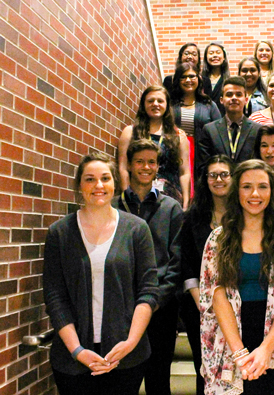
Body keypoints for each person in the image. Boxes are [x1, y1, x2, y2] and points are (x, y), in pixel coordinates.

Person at [43, 152, 158, 395]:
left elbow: (148, 291)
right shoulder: (59, 233)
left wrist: (130, 343)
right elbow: (55, 297)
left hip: (127, 358)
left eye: (105, 178)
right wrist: (77, 350)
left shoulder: (137, 229)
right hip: (72, 360)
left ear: (115, 183)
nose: (98, 186)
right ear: (79, 185)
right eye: (89, 179)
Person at [199, 159, 274, 394]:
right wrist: (240, 353)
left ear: (272, 192)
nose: (255, 193)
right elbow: (216, 296)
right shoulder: (217, 240)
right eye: (246, 186)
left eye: (263, 186)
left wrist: (265, 350)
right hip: (230, 340)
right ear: (236, 191)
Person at [113, 139, 183, 395]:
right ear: (129, 165)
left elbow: (176, 263)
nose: (145, 166)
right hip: (121, 309)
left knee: (158, 380)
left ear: (157, 168)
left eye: (151, 162)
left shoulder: (171, 208)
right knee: (121, 379)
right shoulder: (113, 207)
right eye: (139, 161)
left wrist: (154, 301)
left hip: (160, 310)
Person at [180, 154, 235, 395]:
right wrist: (202, 302)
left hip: (237, 305)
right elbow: (187, 263)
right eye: (213, 175)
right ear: (206, 180)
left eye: (224, 174)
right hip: (199, 308)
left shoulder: (243, 215)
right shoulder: (193, 217)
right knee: (204, 367)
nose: (219, 179)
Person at [118, 85, 191, 209]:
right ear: (143, 104)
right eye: (150, 101)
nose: (155, 104)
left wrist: (186, 200)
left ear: (167, 106)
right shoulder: (130, 132)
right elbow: (123, 167)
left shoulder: (179, 136)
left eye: (160, 101)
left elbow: (184, 172)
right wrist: (127, 195)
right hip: (137, 197)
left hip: (170, 198)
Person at [171, 62, 221, 195]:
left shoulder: (209, 105)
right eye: (183, 77)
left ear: (199, 79)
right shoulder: (170, 103)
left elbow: (218, 133)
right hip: (176, 153)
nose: (188, 80)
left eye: (192, 76)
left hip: (201, 153)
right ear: (178, 80)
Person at [197, 77, 261, 178]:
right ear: (221, 100)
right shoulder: (209, 130)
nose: (234, 98)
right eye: (229, 94)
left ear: (246, 99)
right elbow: (203, 167)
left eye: (239, 94)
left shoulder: (257, 130)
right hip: (218, 186)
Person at [202, 42, 230, 115]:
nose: (215, 55)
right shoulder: (200, 79)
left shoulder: (228, 80)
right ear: (206, 57)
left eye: (218, 53)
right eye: (211, 53)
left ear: (224, 57)